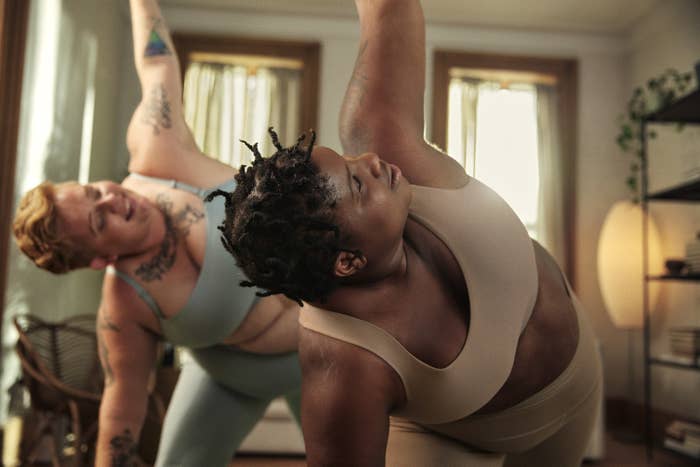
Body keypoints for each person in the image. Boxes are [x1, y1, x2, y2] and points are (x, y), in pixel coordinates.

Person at [213, 0, 602, 465]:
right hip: (458, 442)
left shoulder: (384, 138)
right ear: (347, 261)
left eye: (348, 158)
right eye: (357, 184)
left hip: (580, 384)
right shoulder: (343, 365)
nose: (371, 161)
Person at [11, 0, 302, 465]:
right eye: (98, 221)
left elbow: (156, 62)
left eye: (93, 191)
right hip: (233, 380)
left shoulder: (157, 150)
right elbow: (121, 407)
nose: (112, 199)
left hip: (327, 344)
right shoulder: (124, 308)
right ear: (98, 259)